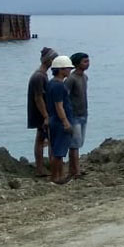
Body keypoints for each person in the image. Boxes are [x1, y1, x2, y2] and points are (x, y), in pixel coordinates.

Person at [26, 47, 58, 177]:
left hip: (40, 112)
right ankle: (41, 168)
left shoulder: (42, 75)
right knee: (42, 140)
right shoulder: (39, 77)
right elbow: (38, 98)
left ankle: (44, 167)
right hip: (40, 113)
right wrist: (46, 116)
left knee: (42, 139)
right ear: (49, 60)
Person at [45, 55, 75, 185]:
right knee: (59, 152)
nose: (69, 71)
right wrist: (66, 122)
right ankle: (56, 178)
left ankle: (57, 176)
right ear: (61, 69)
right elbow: (59, 106)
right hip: (59, 122)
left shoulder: (52, 83)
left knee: (57, 150)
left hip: (54, 120)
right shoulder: (58, 86)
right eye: (68, 68)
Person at [65, 52, 90, 179]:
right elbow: (65, 97)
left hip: (83, 114)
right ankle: (75, 171)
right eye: (84, 61)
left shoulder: (84, 78)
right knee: (74, 144)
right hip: (74, 116)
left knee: (79, 143)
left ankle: (74, 169)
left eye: (88, 61)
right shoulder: (71, 79)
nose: (88, 63)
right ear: (76, 64)